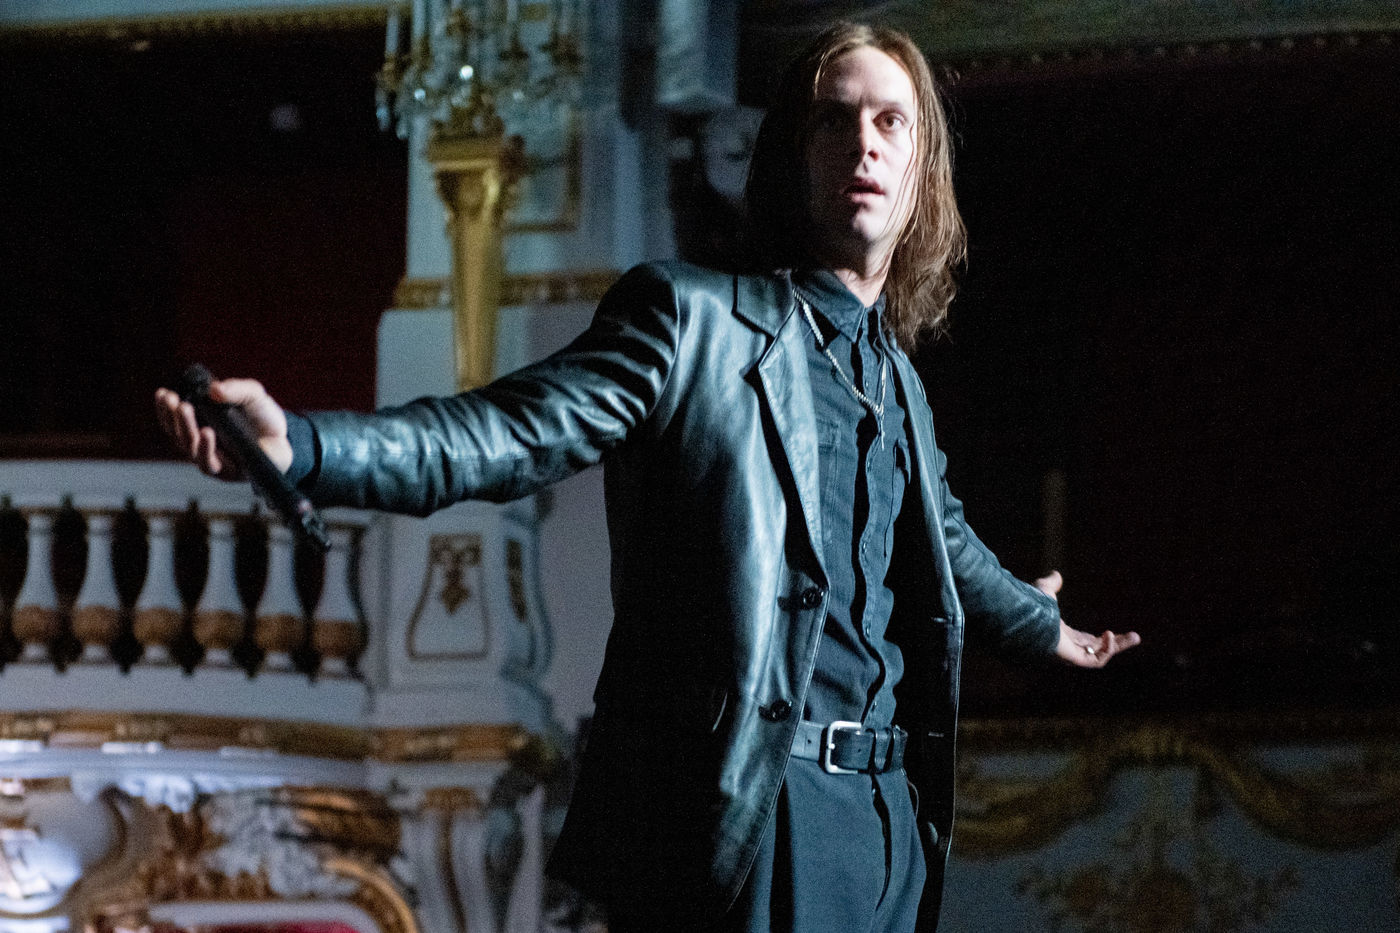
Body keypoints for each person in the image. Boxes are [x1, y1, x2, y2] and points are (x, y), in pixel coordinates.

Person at [156, 21, 1139, 933]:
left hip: (889, 826)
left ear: (924, 170)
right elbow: (503, 433)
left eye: (891, 123)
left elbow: (942, 539)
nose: (863, 146)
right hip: (761, 808)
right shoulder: (690, 320)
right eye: (833, 122)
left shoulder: (896, 380)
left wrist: (1041, 626)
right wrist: (305, 447)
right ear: (790, 159)